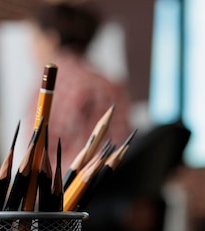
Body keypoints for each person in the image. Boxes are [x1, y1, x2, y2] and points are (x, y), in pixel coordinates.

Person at [20, 1, 132, 175]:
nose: (30, 48)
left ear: (51, 39)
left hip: (62, 193)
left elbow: (37, 150)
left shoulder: (53, 80)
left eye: (35, 38)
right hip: (106, 188)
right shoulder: (110, 83)